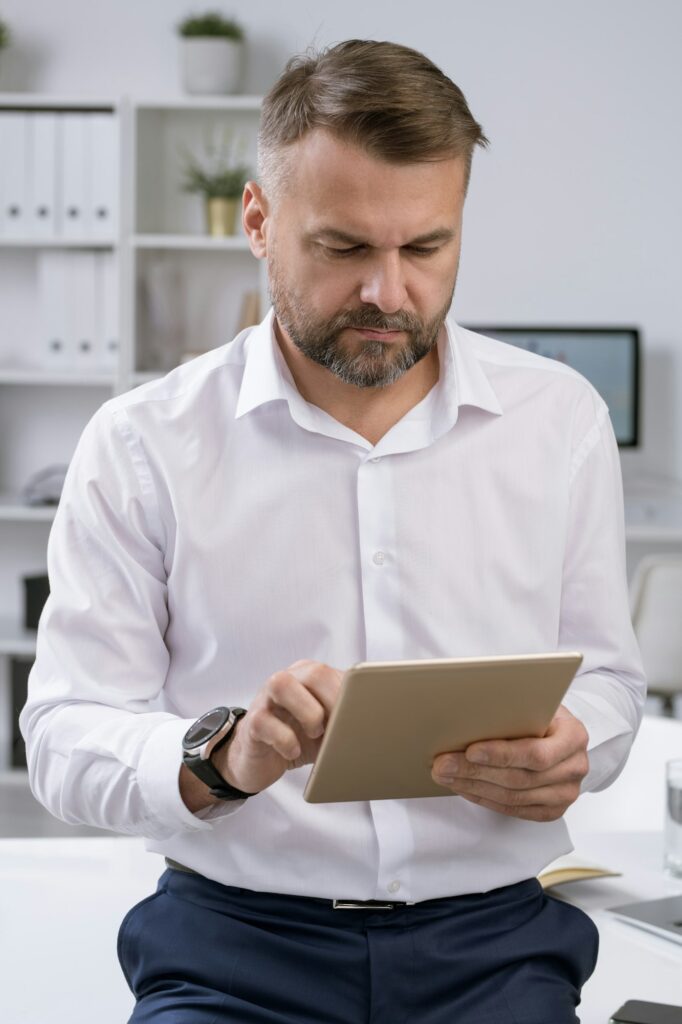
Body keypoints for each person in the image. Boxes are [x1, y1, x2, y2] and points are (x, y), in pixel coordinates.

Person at [21, 39, 645, 1023]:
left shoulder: (554, 420)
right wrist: (220, 756)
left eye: (425, 248)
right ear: (259, 222)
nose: (388, 293)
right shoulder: (145, 441)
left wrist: (578, 742)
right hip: (232, 947)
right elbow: (60, 734)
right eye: (345, 247)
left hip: (493, 946)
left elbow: (607, 681)